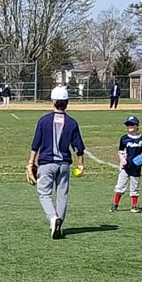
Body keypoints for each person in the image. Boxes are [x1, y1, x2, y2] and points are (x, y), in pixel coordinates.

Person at [27, 86, 86, 239]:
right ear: (67, 102)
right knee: (62, 195)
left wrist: (30, 162)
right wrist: (81, 163)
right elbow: (78, 146)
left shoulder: (44, 120)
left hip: (47, 163)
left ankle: (53, 218)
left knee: (44, 194)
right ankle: (59, 223)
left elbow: (36, 143)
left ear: (53, 101)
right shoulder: (72, 123)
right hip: (64, 164)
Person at [112, 115, 142, 213]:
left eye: (132, 124)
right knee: (120, 186)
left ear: (137, 125)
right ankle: (115, 204)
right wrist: (122, 159)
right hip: (125, 166)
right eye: (128, 124)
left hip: (136, 167)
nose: (130, 126)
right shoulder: (124, 138)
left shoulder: (141, 138)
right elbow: (120, 151)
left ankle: (134, 206)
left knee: (135, 187)